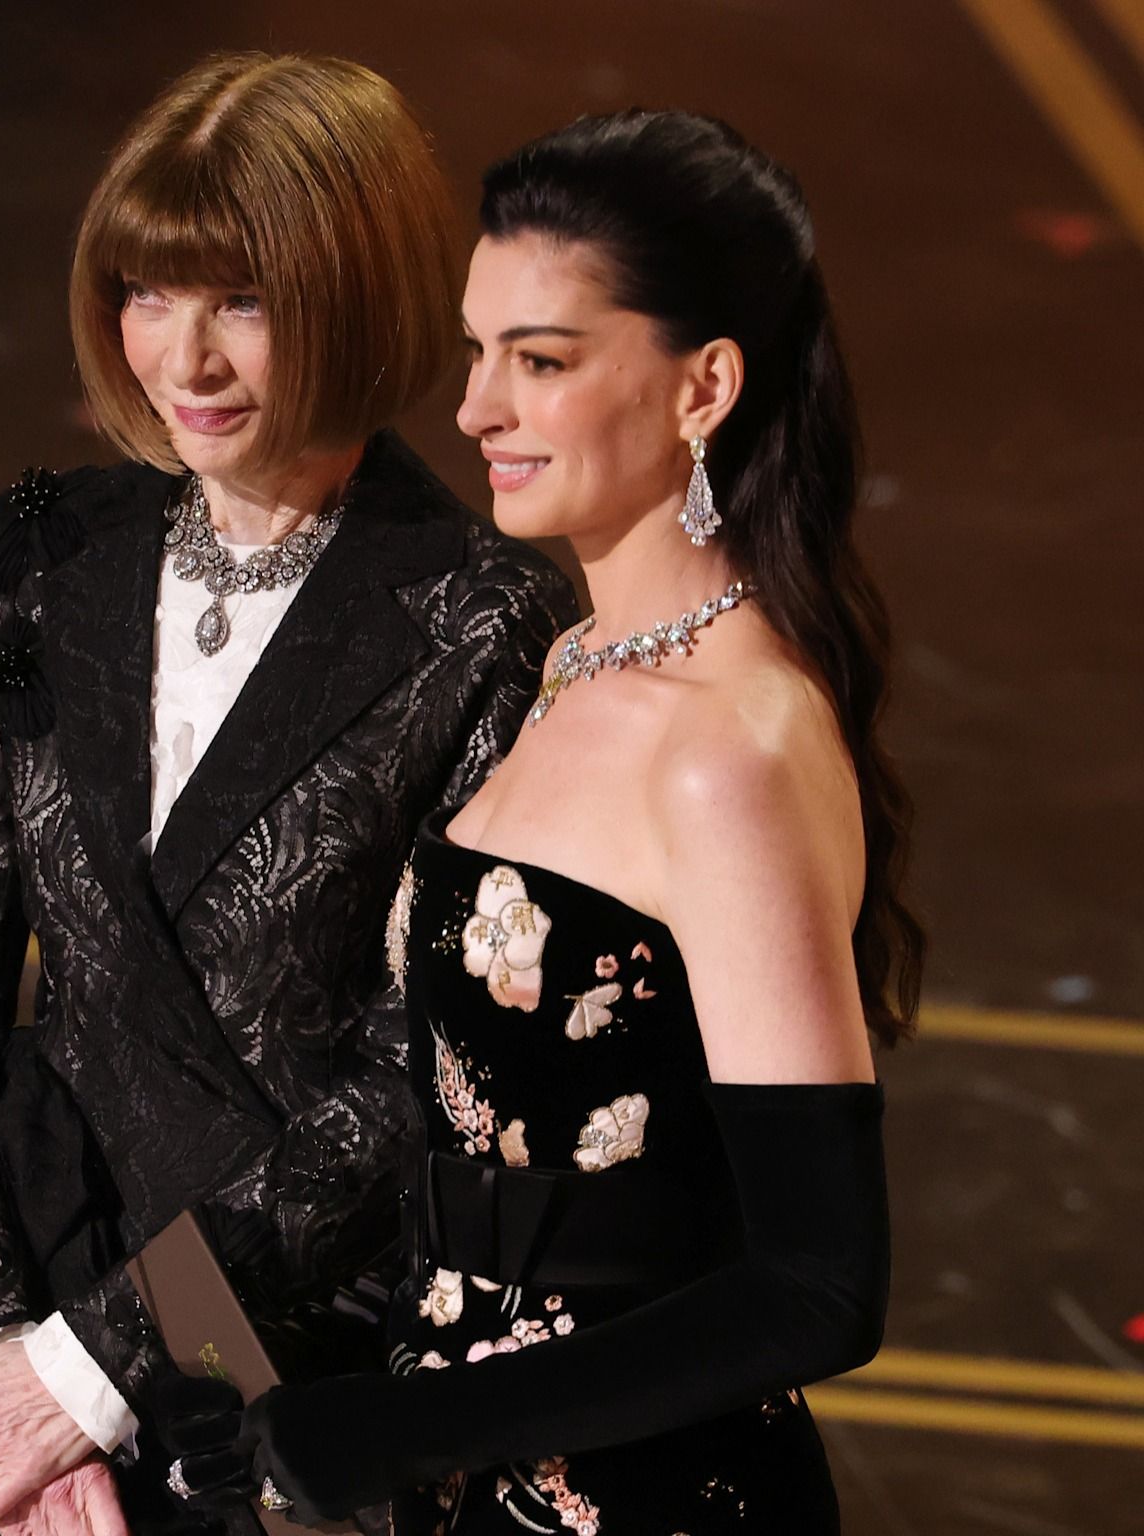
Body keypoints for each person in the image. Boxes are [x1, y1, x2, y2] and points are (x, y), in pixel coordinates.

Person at [0, 52, 577, 1536]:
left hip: (273, 1371)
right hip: (1, 1311)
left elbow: (412, 1083)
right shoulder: (46, 553)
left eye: (241, 300)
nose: (184, 358)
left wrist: (94, 1375)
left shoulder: (480, 619)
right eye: (148, 292)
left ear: (354, 296)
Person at [169, 110, 924, 1533]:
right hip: (465, 1471)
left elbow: (817, 1284)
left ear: (704, 387)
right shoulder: (576, 663)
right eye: (477, 352)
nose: (475, 410)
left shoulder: (726, 753)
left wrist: (403, 1427)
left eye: (543, 361)